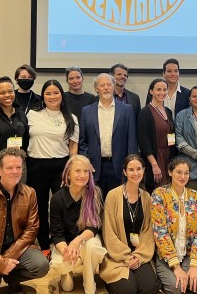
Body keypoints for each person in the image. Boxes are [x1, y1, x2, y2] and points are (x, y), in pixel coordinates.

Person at [0, 147, 49, 294]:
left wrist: (7, 259)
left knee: (42, 265)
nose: (15, 171)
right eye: (9, 167)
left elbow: (32, 229)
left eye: (18, 167)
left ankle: (11, 277)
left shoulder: (30, 193)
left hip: (18, 251)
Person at [26, 79, 79, 256]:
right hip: (37, 165)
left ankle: (61, 243)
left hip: (61, 166)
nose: (52, 96)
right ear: (43, 96)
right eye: (48, 93)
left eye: (56, 92)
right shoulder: (32, 114)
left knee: (61, 207)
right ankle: (44, 245)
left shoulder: (71, 118)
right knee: (39, 206)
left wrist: (71, 168)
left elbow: (73, 147)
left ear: (62, 96)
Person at [100, 155, 161, 294]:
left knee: (150, 288)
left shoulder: (146, 197)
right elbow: (108, 232)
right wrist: (127, 257)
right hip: (117, 255)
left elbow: (147, 232)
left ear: (144, 170)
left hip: (139, 254)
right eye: (131, 169)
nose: (135, 173)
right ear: (124, 172)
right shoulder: (113, 196)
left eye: (139, 169)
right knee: (128, 290)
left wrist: (138, 257)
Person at [50, 155, 107, 294]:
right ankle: (67, 271)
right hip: (65, 244)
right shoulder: (57, 198)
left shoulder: (95, 193)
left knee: (93, 246)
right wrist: (68, 251)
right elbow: (57, 234)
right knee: (67, 286)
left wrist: (78, 240)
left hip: (86, 240)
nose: (82, 175)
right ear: (68, 173)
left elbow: (94, 226)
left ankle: (89, 282)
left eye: (86, 171)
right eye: (78, 171)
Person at [151, 158, 197, 294]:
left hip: (188, 254)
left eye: (186, 173)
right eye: (178, 172)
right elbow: (160, 233)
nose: (183, 177)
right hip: (166, 256)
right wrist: (176, 267)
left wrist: (194, 265)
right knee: (175, 289)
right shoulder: (159, 195)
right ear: (170, 172)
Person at [79, 73, 137, 197]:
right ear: (96, 89)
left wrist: (131, 165)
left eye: (109, 85)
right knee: (96, 206)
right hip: (94, 167)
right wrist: (86, 162)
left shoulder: (127, 110)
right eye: (102, 85)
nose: (106, 88)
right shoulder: (87, 111)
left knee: (118, 206)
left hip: (119, 167)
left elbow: (132, 139)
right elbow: (83, 141)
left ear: (114, 87)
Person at [0, 76, 29, 181]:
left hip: (19, 168)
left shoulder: (21, 114)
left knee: (19, 197)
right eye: (2, 93)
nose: (7, 95)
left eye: (10, 91)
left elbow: (26, 140)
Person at [138, 78, 176, 192]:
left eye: (165, 90)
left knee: (169, 192)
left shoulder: (168, 111)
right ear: (151, 91)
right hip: (156, 158)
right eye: (158, 89)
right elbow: (143, 141)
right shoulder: (145, 112)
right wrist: (154, 165)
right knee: (158, 192)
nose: (162, 92)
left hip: (168, 157)